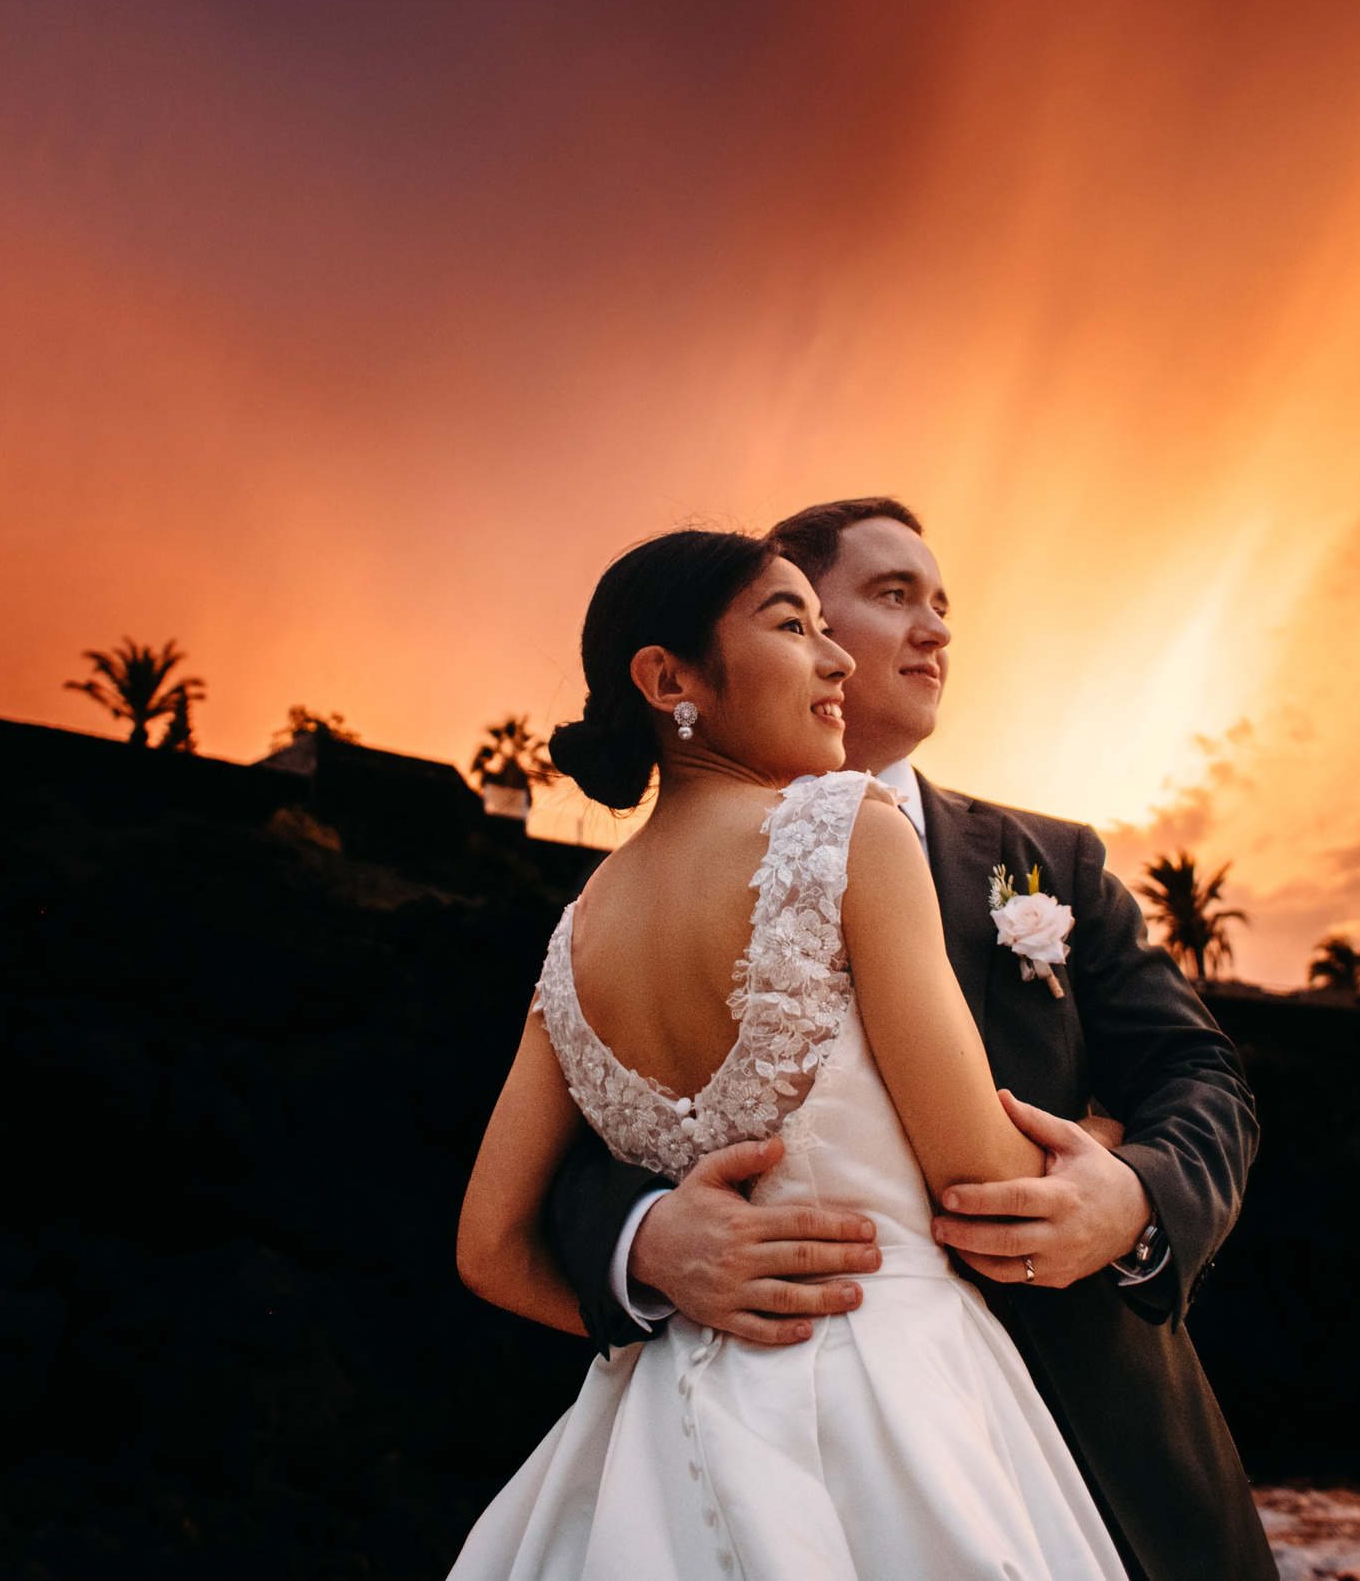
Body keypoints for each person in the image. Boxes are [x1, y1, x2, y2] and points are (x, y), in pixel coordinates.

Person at [541, 499, 1274, 1581]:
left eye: (942, 604)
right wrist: (644, 1241)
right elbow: (558, 1153)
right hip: (794, 1434)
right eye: (889, 598)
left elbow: (1201, 1071)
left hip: (1107, 1440)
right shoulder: (617, 906)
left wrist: (1134, 1197)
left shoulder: (1053, 861)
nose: (932, 630)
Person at [451, 527, 1130, 1579]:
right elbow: (980, 1179)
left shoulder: (576, 929)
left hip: (651, 1439)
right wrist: (1100, 1139)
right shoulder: (845, 830)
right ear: (668, 678)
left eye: (826, 627)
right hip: (891, 1398)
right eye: (790, 624)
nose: (838, 661)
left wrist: (671, 1294)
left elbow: (489, 1250)